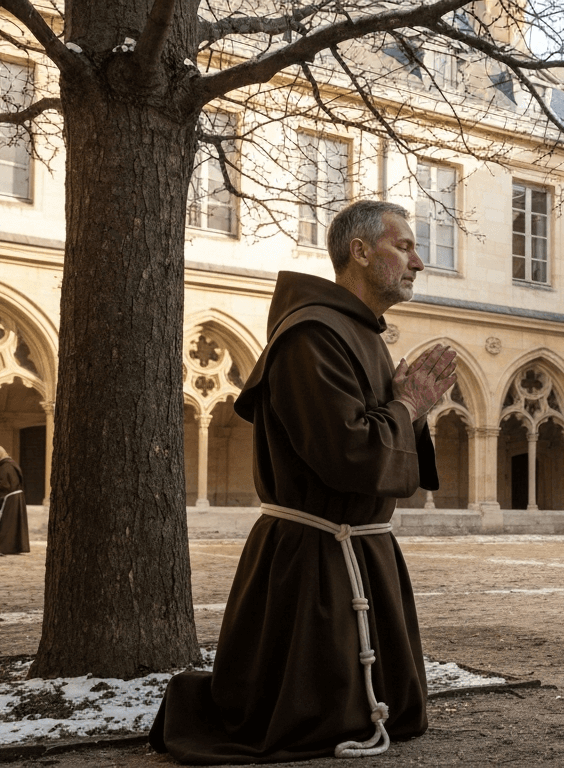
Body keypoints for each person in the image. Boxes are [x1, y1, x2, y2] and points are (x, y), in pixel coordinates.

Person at [151, 200, 457, 763]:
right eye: (405, 246)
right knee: (313, 714)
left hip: (359, 545)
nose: (419, 261)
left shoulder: (359, 332)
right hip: (315, 552)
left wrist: (406, 407)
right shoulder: (311, 335)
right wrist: (409, 404)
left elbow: (371, 444)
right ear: (359, 252)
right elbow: (346, 453)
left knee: (390, 712)